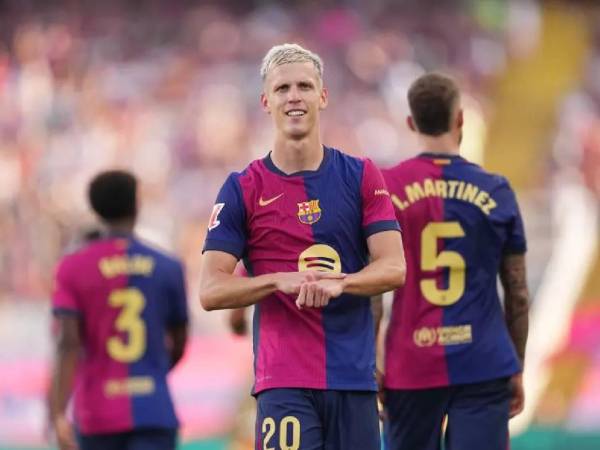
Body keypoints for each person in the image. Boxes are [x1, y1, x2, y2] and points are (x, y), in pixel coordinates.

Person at [199, 43, 406, 450]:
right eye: (282, 89)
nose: (294, 96)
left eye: (305, 86)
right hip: (284, 382)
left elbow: (394, 267)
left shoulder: (362, 175)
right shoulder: (242, 187)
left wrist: (341, 284)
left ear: (322, 96)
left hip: (353, 380)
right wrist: (278, 281)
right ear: (265, 101)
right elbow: (210, 290)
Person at [379, 72, 530, 450]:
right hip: (484, 361)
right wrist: (516, 364)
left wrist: (371, 362)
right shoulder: (496, 190)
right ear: (460, 118)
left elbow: (371, 290)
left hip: (410, 362)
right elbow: (518, 292)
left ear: (411, 123)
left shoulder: (387, 189)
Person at [49, 170, 189, 450]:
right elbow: (180, 340)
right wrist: (153, 369)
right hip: (154, 410)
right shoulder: (168, 267)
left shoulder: (73, 267)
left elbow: (68, 344)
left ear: (95, 209)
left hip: (96, 413)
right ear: (137, 205)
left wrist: (56, 413)